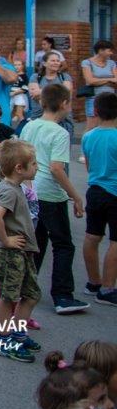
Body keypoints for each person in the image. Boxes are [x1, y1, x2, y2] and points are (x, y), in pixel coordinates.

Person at [21, 84, 90, 315]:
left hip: (30, 191)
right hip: (51, 194)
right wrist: (75, 195)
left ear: (41, 103)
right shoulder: (60, 133)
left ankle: (27, 287)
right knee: (63, 244)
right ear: (64, 104)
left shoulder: (30, 126)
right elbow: (56, 168)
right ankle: (62, 295)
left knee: (37, 242)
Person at [0, 139, 44, 364]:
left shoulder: (12, 186)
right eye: (34, 163)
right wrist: (6, 240)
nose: (37, 166)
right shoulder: (9, 190)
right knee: (9, 297)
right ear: (19, 168)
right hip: (11, 253)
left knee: (31, 294)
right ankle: (3, 340)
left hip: (23, 251)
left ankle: (18, 335)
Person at [81, 92, 117, 307]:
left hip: (95, 189)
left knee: (92, 237)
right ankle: (108, 288)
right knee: (115, 242)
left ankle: (93, 282)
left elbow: (89, 166)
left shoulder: (88, 136)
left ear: (95, 111)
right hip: (114, 192)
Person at [81, 40, 116, 131]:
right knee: (92, 126)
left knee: (111, 125)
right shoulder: (87, 63)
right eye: (109, 51)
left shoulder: (111, 63)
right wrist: (109, 79)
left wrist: (98, 80)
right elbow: (90, 81)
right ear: (101, 51)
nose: (111, 53)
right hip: (94, 97)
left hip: (110, 98)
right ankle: (86, 144)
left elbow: (116, 80)